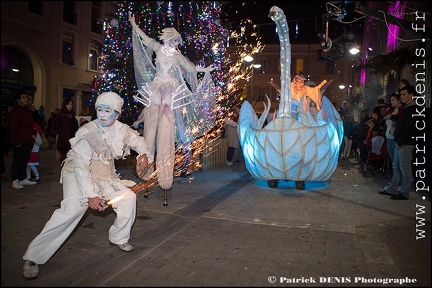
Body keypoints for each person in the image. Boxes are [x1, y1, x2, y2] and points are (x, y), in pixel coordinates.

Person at [22, 92, 153, 280]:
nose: (103, 114)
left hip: (103, 174)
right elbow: (81, 168)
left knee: (128, 198)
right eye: (100, 109)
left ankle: (119, 237)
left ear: (117, 114)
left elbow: (138, 141)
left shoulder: (121, 129)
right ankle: (33, 257)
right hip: (76, 173)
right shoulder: (87, 133)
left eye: (108, 111)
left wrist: (143, 154)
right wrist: (91, 195)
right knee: (72, 210)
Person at [129, 14, 215, 195]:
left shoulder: (177, 56)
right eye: (175, 40)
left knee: (167, 120)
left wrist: (204, 70)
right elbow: (144, 38)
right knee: (151, 127)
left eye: (178, 42)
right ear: (169, 39)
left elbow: (190, 67)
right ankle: (146, 169)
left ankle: (165, 175)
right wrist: (134, 24)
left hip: (169, 90)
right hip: (156, 88)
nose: (176, 44)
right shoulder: (158, 48)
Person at [378, 86, 418, 200]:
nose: (402, 97)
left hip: (405, 143)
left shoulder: (413, 109)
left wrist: (401, 142)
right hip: (400, 142)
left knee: (405, 168)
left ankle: (405, 192)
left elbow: (410, 128)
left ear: (411, 95)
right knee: (396, 166)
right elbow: (402, 124)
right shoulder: (407, 108)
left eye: (404, 94)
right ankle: (392, 188)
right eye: (401, 95)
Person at [7, 91, 37, 189]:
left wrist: (33, 134)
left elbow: (35, 122)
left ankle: (22, 178)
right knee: (17, 160)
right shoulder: (15, 112)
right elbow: (13, 128)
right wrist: (17, 141)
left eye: (26, 98)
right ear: (18, 100)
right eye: (23, 97)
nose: (26, 99)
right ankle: (15, 180)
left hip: (28, 140)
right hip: (20, 140)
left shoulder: (28, 111)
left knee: (24, 160)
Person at [52, 98, 79, 164]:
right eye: (68, 104)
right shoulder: (61, 116)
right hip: (64, 140)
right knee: (64, 158)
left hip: (72, 140)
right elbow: (58, 129)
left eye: (71, 104)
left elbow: (75, 128)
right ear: (65, 105)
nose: (70, 106)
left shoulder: (72, 115)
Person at [384, 93, 403, 166]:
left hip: (396, 138)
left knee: (397, 162)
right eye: (391, 100)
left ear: (399, 101)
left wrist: (392, 117)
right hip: (389, 137)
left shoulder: (401, 111)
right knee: (393, 160)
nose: (391, 102)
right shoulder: (390, 111)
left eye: (393, 100)